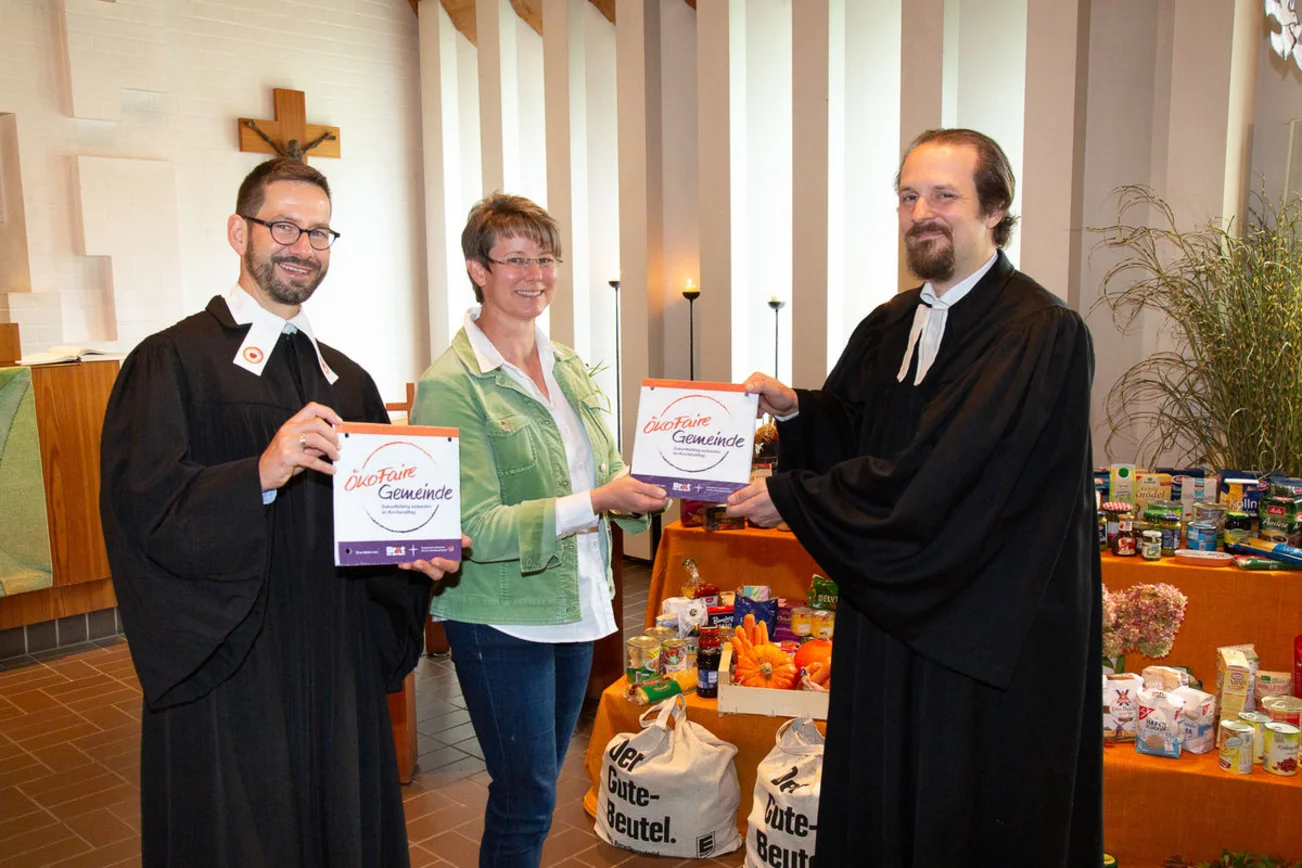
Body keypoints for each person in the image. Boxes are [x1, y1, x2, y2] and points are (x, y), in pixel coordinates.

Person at [726, 129, 1103, 866]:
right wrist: (797, 407)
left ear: (994, 209)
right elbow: (863, 430)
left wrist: (796, 497)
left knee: (970, 814)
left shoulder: (1038, 333)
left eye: (944, 195)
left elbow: (948, 478)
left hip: (986, 634)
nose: (921, 212)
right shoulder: (895, 321)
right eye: (908, 197)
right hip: (897, 614)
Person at [99, 158, 462, 868]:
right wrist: (258, 476)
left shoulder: (347, 378)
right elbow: (142, 511)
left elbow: (364, 524)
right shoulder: (170, 362)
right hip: (233, 667)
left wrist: (412, 554)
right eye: (285, 226)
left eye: (321, 232)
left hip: (336, 662)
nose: (303, 246)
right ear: (240, 231)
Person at [410, 193, 667, 867]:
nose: (535, 274)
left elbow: (607, 472)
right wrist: (596, 500)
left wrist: (657, 487)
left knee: (538, 790)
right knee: (524, 797)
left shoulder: (569, 367)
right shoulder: (451, 384)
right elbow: (473, 525)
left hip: (576, 606)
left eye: (546, 258)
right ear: (478, 269)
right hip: (501, 616)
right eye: (516, 259)